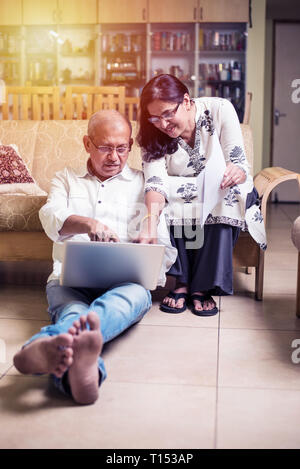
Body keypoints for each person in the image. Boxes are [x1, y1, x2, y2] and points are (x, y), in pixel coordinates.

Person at [13, 109, 176, 405]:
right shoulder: (65, 179)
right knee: (72, 311)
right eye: (105, 147)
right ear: (87, 144)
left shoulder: (144, 186)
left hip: (126, 283)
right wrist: (88, 224)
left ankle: (42, 347)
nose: (114, 156)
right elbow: (50, 217)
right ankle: (86, 369)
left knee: (124, 301)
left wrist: (147, 251)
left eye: (122, 148)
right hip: (68, 278)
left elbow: (165, 247)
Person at [137, 74, 267, 316]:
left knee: (228, 194)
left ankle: (203, 287)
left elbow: (237, 161)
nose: (162, 124)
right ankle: (182, 282)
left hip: (219, 186)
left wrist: (235, 171)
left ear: (186, 101)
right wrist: (150, 222)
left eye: (167, 114)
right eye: (155, 118)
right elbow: (155, 181)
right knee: (162, 198)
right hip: (177, 190)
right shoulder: (150, 133)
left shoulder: (220, 109)